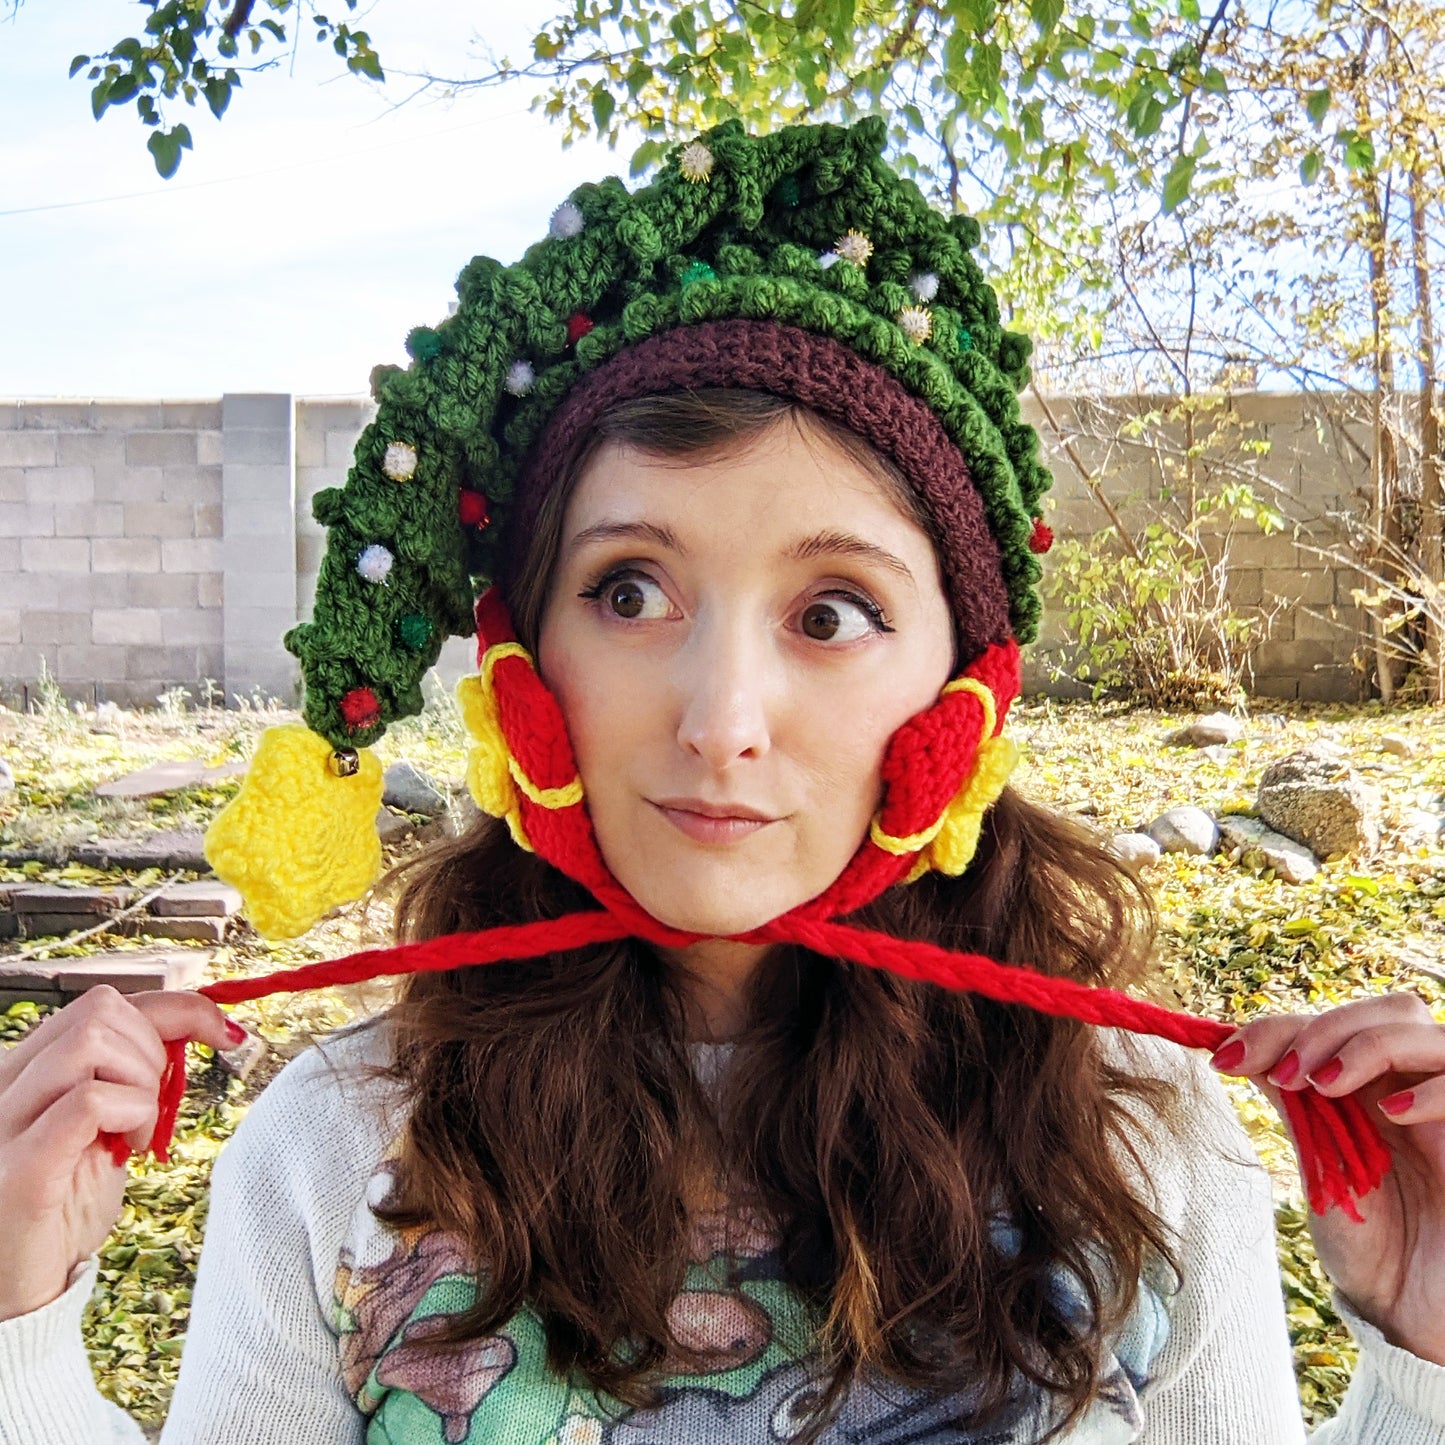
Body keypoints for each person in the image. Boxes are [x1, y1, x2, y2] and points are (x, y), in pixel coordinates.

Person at [1, 118, 1442, 1445]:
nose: (719, 719)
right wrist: (20, 1332)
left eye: (829, 614)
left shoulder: (1147, 1150)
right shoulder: (336, 1155)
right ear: (521, 665)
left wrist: (1420, 1355)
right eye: (629, 588)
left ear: (965, 690)